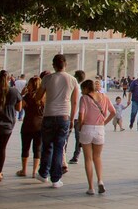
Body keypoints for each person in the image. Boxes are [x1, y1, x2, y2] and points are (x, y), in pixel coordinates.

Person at [35, 54, 79, 188]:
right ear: (65, 65)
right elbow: (75, 101)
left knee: (47, 146)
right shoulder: (72, 80)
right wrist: (72, 119)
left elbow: (38, 97)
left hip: (49, 115)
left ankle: (43, 173)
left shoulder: (47, 78)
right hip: (64, 116)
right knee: (60, 147)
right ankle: (56, 179)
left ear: (53, 65)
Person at [78, 79, 115, 194]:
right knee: (97, 157)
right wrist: (104, 122)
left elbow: (81, 115)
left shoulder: (84, 98)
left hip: (87, 128)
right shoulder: (104, 97)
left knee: (88, 159)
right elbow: (113, 112)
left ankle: (91, 188)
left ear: (85, 89)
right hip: (99, 129)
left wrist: (80, 126)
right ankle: (100, 181)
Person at [16, 76, 44, 178]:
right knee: (37, 149)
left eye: (29, 84)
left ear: (32, 85)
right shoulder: (44, 97)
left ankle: (24, 170)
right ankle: (34, 172)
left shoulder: (27, 97)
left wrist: (21, 94)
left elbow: (18, 107)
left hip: (28, 124)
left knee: (25, 147)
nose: (28, 86)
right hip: (40, 125)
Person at [69, 70, 87, 164]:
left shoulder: (73, 89)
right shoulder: (83, 91)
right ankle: (76, 156)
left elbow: (74, 103)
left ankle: (63, 154)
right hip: (80, 117)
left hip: (71, 116)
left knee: (66, 137)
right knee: (78, 137)